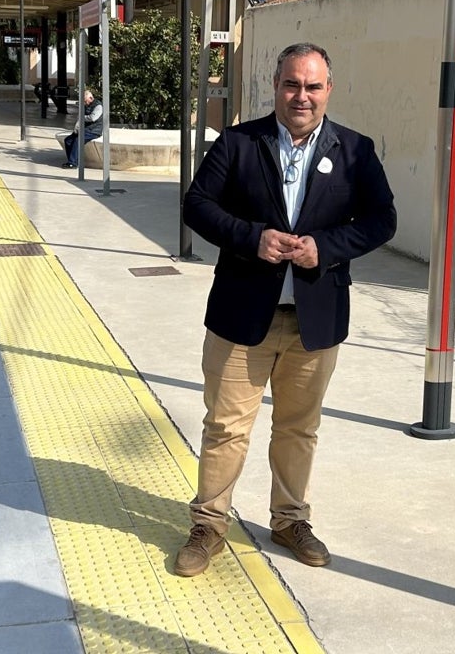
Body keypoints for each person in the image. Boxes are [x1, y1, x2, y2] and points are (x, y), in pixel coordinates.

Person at [174, 42, 397, 577]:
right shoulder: (237, 142)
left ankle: (290, 519)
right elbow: (197, 206)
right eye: (292, 84)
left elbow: (381, 219)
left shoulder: (355, 150)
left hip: (314, 321)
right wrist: (252, 238)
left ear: (328, 90)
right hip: (241, 316)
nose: (302, 96)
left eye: (313, 86)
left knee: (299, 428)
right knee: (226, 427)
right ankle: (208, 526)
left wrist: (327, 247)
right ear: (275, 86)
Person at [62, 89, 103, 168]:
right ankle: (72, 160)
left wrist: (82, 117)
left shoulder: (98, 106)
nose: (85, 103)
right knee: (68, 140)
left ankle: (72, 163)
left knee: (78, 140)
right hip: (85, 129)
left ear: (91, 98)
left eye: (85, 101)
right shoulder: (86, 105)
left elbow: (92, 118)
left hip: (94, 131)